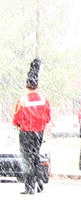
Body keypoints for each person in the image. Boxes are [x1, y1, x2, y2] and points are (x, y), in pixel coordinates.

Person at [12, 58, 51, 194]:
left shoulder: (22, 100)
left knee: (27, 159)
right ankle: (39, 179)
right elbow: (47, 117)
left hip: (26, 132)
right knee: (36, 156)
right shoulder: (44, 99)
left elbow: (16, 118)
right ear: (37, 85)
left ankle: (29, 187)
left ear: (26, 85)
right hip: (39, 132)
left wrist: (19, 125)